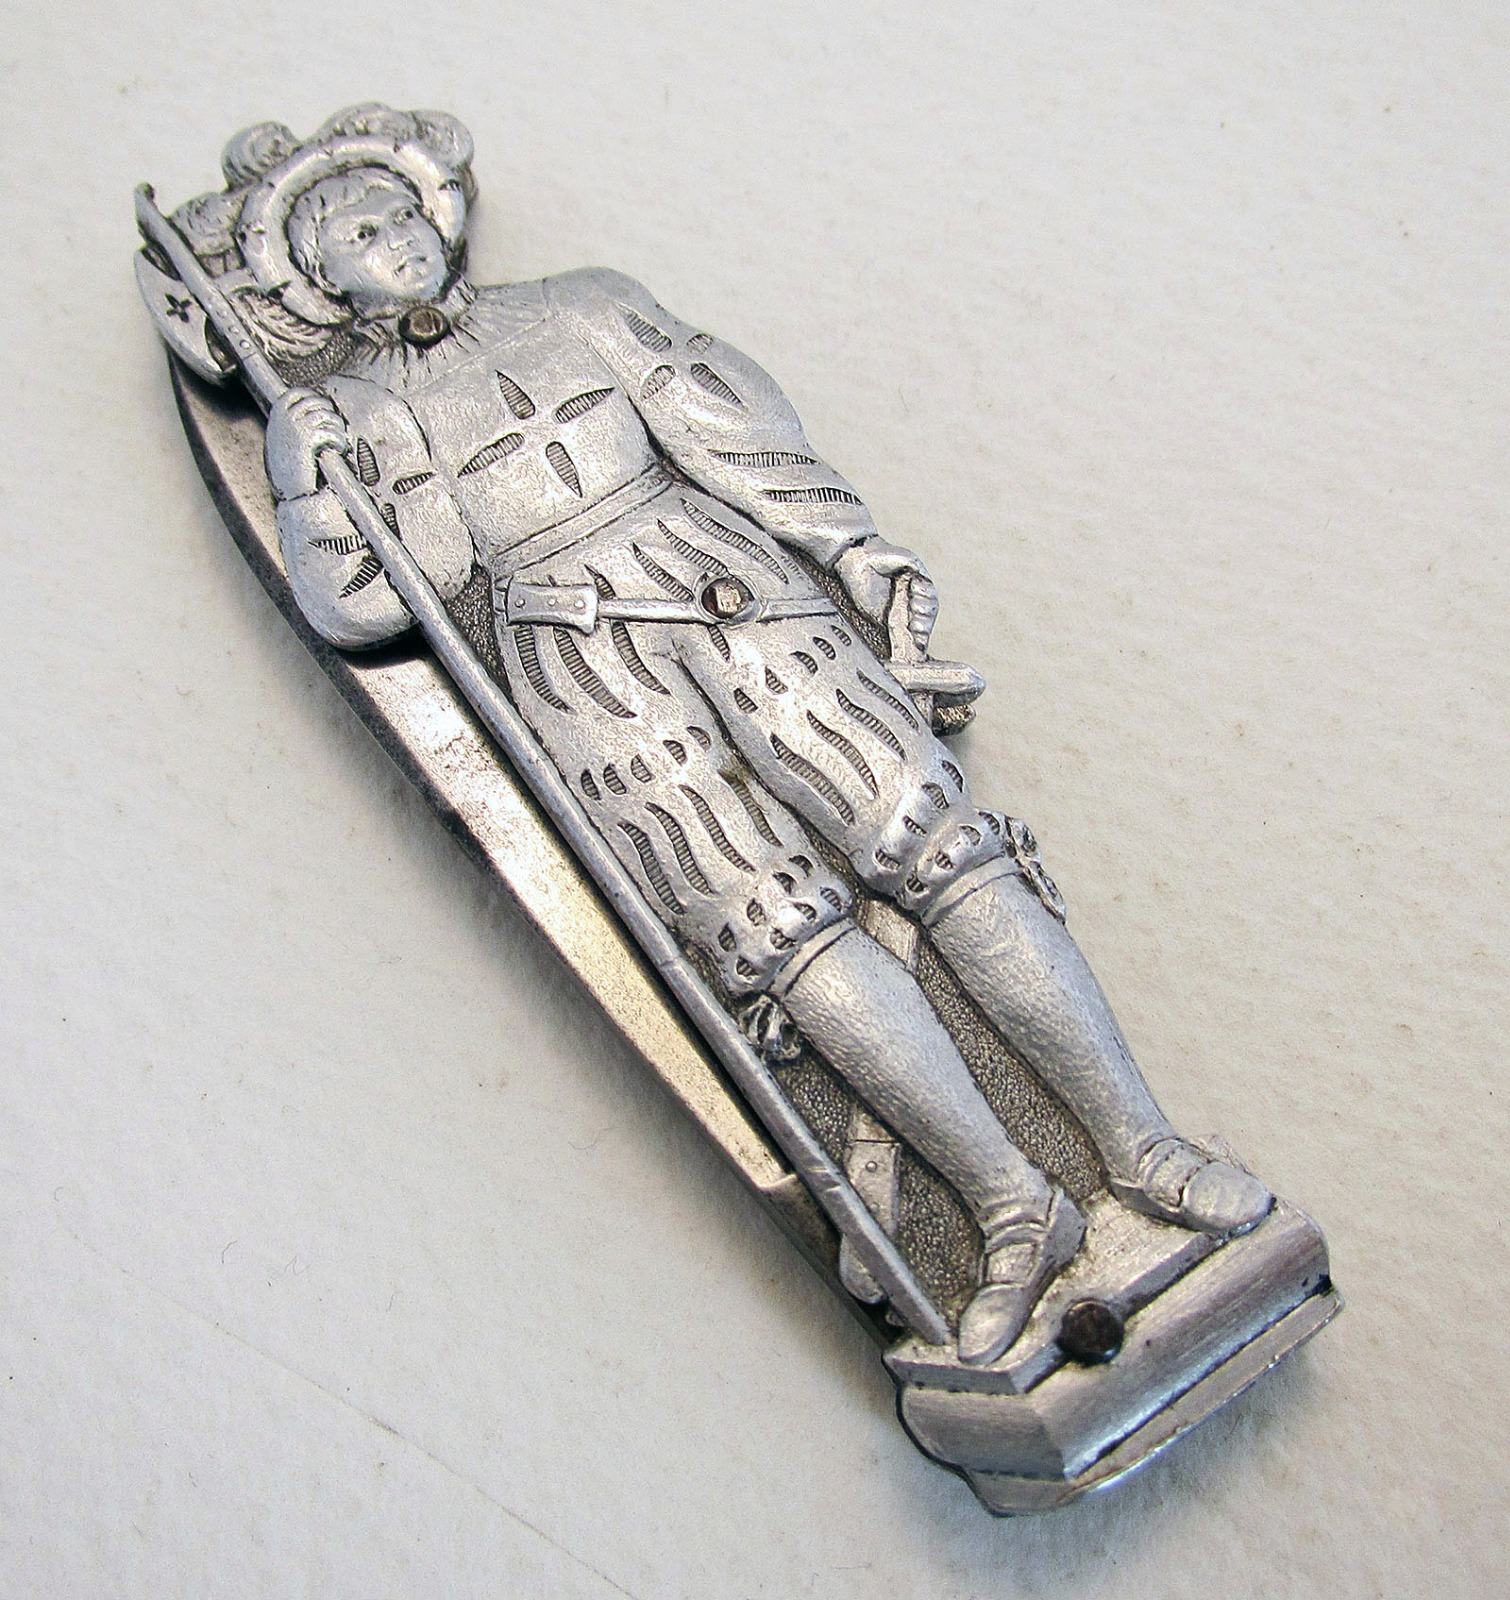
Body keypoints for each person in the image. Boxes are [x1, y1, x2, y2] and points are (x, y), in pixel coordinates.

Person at [247, 117, 1270, 1365]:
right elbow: (385, 598)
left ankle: (1141, 1144)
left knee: (939, 846)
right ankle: (1012, 1209)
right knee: (776, 929)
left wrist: (851, 545)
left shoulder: (583, 302)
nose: (396, 239)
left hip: (721, 580)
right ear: (319, 278)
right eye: (358, 233)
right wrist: (313, 482)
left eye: (401, 210)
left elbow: (729, 425)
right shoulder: (341, 414)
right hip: (580, 667)